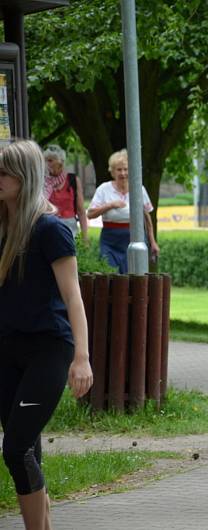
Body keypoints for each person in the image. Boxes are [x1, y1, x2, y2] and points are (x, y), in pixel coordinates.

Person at [0, 140, 93, 529]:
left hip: (48, 350)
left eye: (3, 173)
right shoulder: (2, 228)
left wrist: (82, 358)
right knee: (26, 449)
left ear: (24, 177)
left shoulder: (50, 229)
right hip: (6, 349)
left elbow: (73, 297)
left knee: (16, 448)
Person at [87, 149, 159, 273]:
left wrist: (153, 242)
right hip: (110, 239)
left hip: (134, 238)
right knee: (109, 275)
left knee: (132, 277)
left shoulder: (139, 189)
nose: (123, 173)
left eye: (126, 169)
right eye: (119, 169)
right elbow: (90, 214)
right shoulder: (104, 189)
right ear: (112, 171)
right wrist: (110, 205)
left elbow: (147, 217)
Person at [43, 145, 88, 240]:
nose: (46, 164)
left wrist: (85, 236)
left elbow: (81, 211)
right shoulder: (43, 182)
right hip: (49, 229)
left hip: (71, 230)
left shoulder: (73, 180)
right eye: (45, 160)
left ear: (60, 162)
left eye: (50, 160)